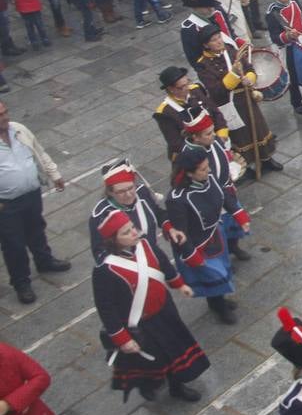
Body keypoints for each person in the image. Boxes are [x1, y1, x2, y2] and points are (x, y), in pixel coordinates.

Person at [92, 209, 207, 402]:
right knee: (149, 360)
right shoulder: (105, 270)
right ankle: (146, 385)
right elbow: (106, 307)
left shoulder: (146, 245)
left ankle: (176, 386)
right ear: (114, 240)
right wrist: (123, 339)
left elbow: (163, 264)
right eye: (126, 232)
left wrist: (179, 284)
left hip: (164, 311)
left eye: (132, 228)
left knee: (173, 352)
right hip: (141, 324)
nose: (134, 233)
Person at [166, 141, 248, 324]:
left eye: (207, 167)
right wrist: (190, 255)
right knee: (212, 277)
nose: (208, 172)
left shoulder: (207, 179)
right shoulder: (177, 200)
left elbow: (223, 195)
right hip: (197, 246)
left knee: (221, 272)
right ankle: (218, 306)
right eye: (203, 170)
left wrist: (239, 215)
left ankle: (219, 300)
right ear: (189, 173)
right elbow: (180, 234)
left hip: (214, 235)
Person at [0, 102, 70, 304]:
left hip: (31, 194)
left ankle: (44, 261)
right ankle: (21, 282)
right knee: (13, 244)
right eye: (0, 115)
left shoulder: (19, 130)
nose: (5, 117)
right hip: (6, 205)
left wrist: (54, 173)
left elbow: (39, 151)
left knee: (37, 229)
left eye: (5, 112)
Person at [194, 29, 283, 174]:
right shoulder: (203, 65)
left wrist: (250, 77)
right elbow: (216, 90)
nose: (218, 41)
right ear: (206, 45)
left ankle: (266, 159)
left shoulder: (230, 50)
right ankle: (247, 165)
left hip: (246, 98)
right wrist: (234, 74)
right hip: (229, 103)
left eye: (219, 37)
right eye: (214, 40)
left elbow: (249, 67)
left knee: (258, 128)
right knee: (241, 136)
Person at [88, 158, 184, 260]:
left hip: (154, 254)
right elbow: (100, 252)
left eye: (131, 188)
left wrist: (170, 228)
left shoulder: (142, 192)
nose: (129, 194)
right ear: (110, 192)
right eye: (121, 191)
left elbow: (157, 212)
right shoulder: (101, 215)